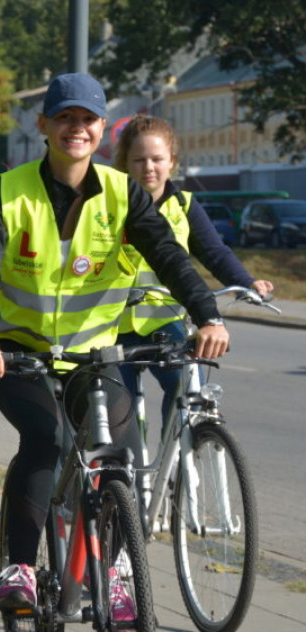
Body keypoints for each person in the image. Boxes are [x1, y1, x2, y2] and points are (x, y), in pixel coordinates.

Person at [0, 73, 229, 615]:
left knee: (120, 459)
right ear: (45, 125)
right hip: (18, 352)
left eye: (86, 119)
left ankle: (120, 573)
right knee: (47, 439)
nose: (75, 128)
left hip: (94, 354)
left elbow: (170, 258)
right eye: (64, 118)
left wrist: (208, 315)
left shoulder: (122, 192)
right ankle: (19, 567)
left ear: (102, 129)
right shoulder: (6, 192)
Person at [112, 114, 274, 418]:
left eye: (157, 159)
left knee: (188, 396)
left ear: (172, 161)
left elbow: (215, 253)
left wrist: (247, 281)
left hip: (166, 320)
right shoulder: (110, 205)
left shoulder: (184, 204)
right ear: (125, 164)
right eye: (139, 160)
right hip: (113, 326)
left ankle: (182, 457)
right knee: (121, 418)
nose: (148, 167)